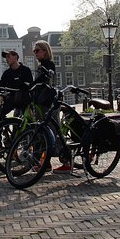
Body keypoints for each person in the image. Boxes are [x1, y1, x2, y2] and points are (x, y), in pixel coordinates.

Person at [33, 40, 70, 174]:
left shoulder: (48, 65)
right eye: (34, 51)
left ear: (45, 51)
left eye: (37, 50)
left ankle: (67, 161)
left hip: (49, 102)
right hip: (42, 102)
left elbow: (44, 82)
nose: (35, 53)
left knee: (55, 131)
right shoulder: (42, 65)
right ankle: (46, 163)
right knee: (44, 132)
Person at [0, 50, 33, 121]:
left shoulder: (25, 70)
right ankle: (0, 131)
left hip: (23, 100)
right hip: (11, 99)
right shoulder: (7, 73)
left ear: (15, 57)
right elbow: (0, 86)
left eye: (8, 56)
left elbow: (30, 86)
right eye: (5, 57)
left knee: (21, 120)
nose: (6, 59)